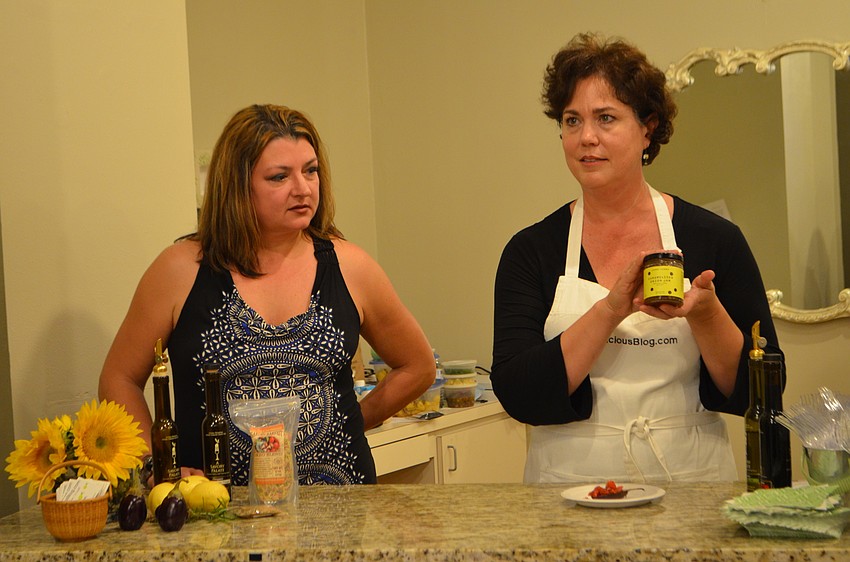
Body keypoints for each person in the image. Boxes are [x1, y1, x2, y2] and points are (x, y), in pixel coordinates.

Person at [491, 33, 782, 484]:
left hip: (691, 486)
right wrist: (609, 310)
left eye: (606, 118)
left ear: (647, 127)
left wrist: (705, 314)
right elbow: (518, 394)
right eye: (572, 120)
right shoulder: (531, 251)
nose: (586, 137)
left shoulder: (714, 239)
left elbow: (761, 391)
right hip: (567, 497)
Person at [99, 104, 435, 486]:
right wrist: (155, 464)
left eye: (311, 171)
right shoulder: (180, 270)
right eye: (279, 177)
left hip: (340, 508)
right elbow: (118, 378)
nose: (303, 189)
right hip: (217, 512)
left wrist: (348, 420)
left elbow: (418, 365)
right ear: (237, 186)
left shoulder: (350, 265)